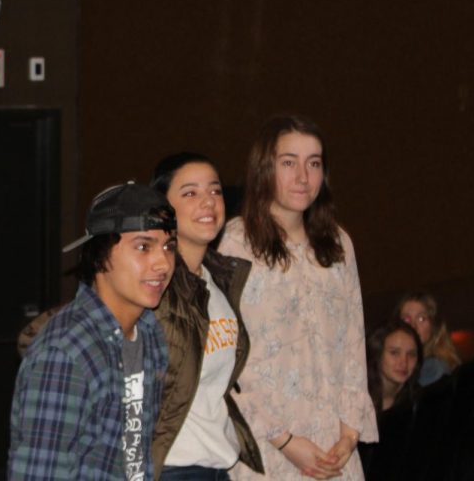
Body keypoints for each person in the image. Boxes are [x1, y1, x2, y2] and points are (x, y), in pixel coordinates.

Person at [217, 114, 378, 480]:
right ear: (264, 168)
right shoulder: (236, 243)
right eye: (288, 163)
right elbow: (229, 362)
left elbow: (353, 343)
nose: (303, 177)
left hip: (334, 447)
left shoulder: (338, 243)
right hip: (270, 448)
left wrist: (350, 432)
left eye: (314, 163)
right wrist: (285, 441)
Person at [8, 182, 177, 480]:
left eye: (168, 246)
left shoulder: (149, 333)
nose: (162, 262)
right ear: (100, 256)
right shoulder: (65, 354)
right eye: (143, 246)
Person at [148, 153, 264, 480]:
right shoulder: (155, 283)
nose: (208, 202)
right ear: (162, 209)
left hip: (216, 464)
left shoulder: (219, 279)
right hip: (172, 466)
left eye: (215, 191)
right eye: (190, 193)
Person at [395, 291, 461, 386]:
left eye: (421, 319)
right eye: (406, 319)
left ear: (433, 326)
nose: (413, 326)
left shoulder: (433, 368)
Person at [365, 320, 423, 414]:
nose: (404, 363)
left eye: (411, 354)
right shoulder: (356, 397)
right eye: (394, 353)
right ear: (377, 353)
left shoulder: (420, 402)